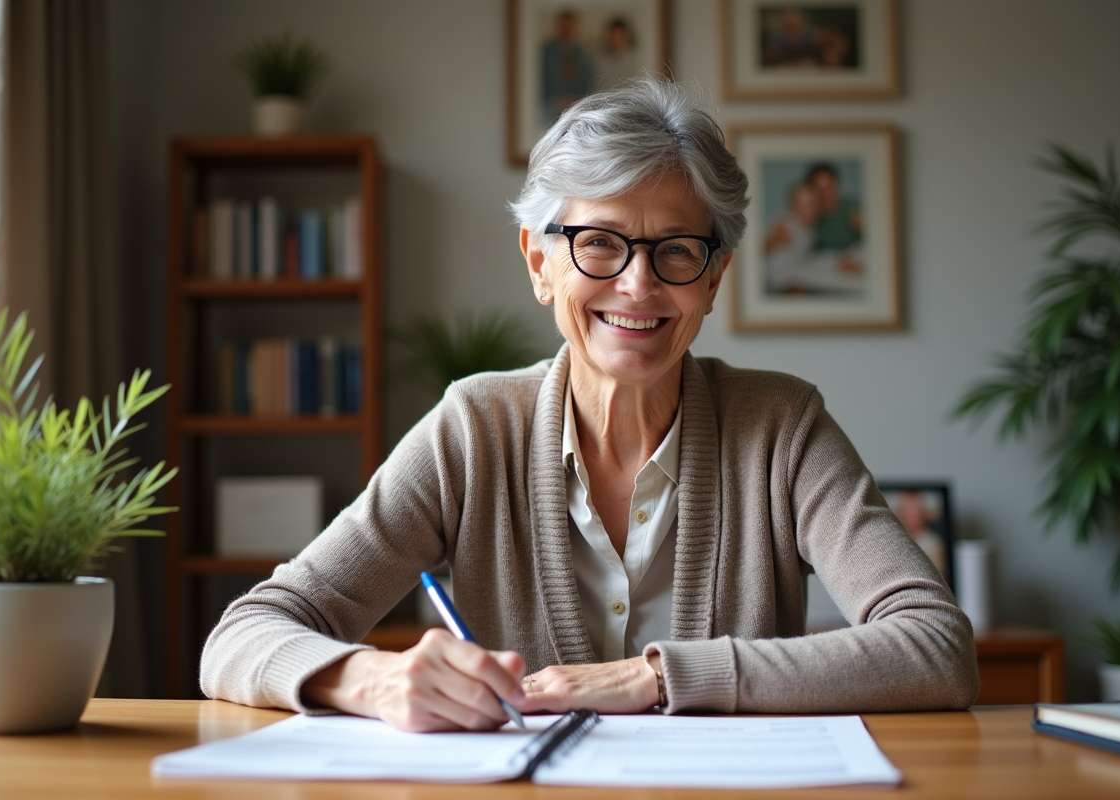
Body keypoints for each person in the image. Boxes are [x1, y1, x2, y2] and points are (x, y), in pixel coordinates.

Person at [200, 77, 979, 733]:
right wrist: (372, 679)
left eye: (677, 250)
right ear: (540, 264)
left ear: (713, 279)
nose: (638, 285)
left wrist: (655, 677)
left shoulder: (783, 427)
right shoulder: (473, 429)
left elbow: (936, 646)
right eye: (599, 242)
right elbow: (242, 635)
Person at [541, 10, 593, 124]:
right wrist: (556, 100)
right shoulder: (545, 52)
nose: (568, 31)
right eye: (564, 27)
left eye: (571, 28)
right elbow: (540, 79)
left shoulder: (582, 53)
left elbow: (587, 80)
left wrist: (575, 100)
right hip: (550, 105)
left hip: (575, 106)